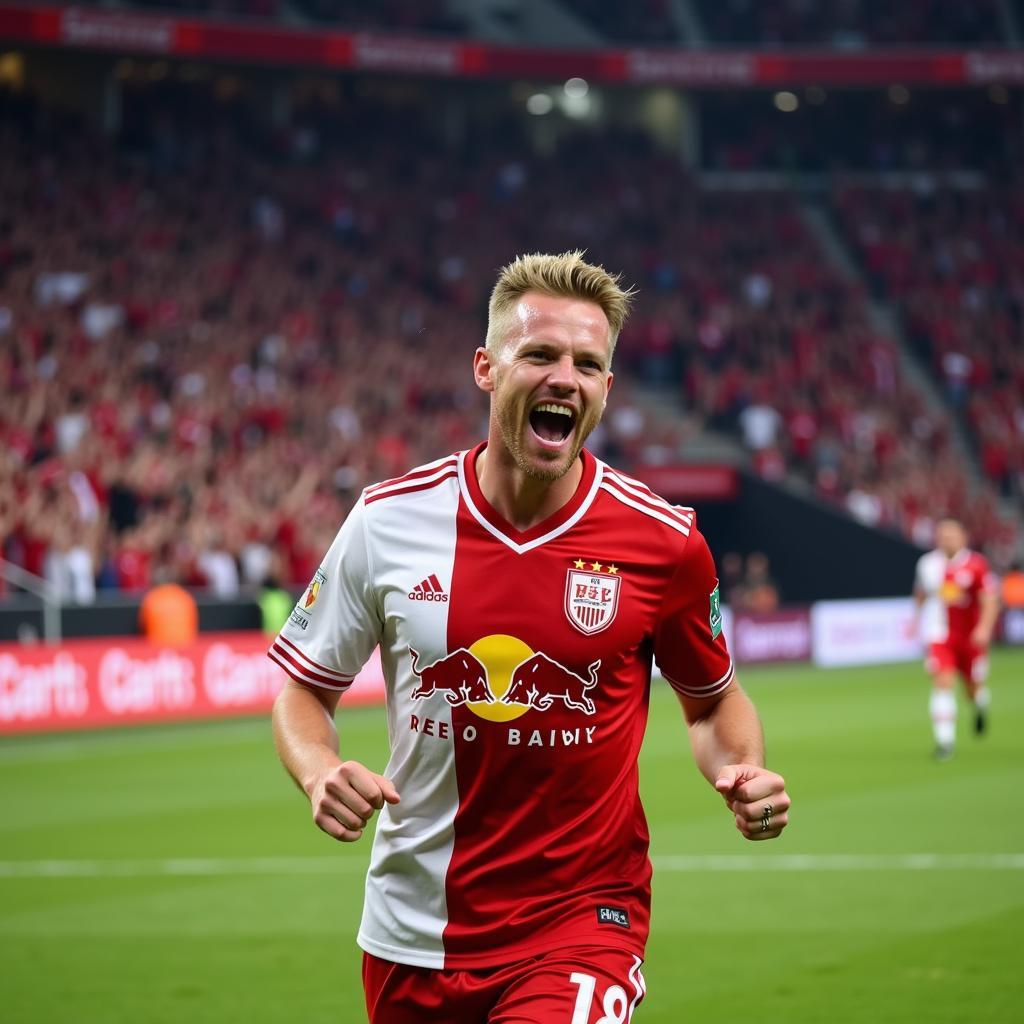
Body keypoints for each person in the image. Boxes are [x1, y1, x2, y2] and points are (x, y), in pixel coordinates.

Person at [270, 251, 790, 1023]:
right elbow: (305, 689)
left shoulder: (664, 542)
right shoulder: (387, 521)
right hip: (411, 930)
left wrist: (744, 772)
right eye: (539, 354)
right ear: (486, 367)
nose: (564, 378)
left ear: (606, 390)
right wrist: (318, 769)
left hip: (582, 923)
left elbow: (713, 704)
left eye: (588, 364)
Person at [913, 516, 1000, 761]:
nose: (945, 539)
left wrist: (984, 628)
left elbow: (989, 600)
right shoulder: (927, 564)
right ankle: (945, 742)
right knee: (942, 682)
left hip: (970, 638)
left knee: (972, 689)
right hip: (940, 634)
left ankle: (980, 705)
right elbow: (920, 593)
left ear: (963, 537)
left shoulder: (977, 565)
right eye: (941, 535)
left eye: (950, 535)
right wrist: (915, 620)